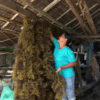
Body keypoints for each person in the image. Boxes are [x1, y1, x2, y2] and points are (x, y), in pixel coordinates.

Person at [50, 32, 77, 100]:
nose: (59, 36)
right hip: (60, 74)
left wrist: (62, 67)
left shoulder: (68, 51)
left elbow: (74, 63)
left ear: (65, 40)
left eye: (61, 36)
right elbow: (51, 37)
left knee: (69, 93)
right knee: (62, 93)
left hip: (68, 75)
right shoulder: (57, 45)